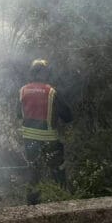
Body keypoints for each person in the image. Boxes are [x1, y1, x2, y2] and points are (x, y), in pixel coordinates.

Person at [20, 58, 72, 204]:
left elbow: (19, 114)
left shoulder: (23, 91)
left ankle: (32, 208)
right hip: (50, 140)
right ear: (45, 74)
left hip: (29, 141)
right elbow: (68, 116)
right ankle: (62, 204)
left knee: (34, 174)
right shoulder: (51, 92)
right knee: (58, 172)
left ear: (32, 73)